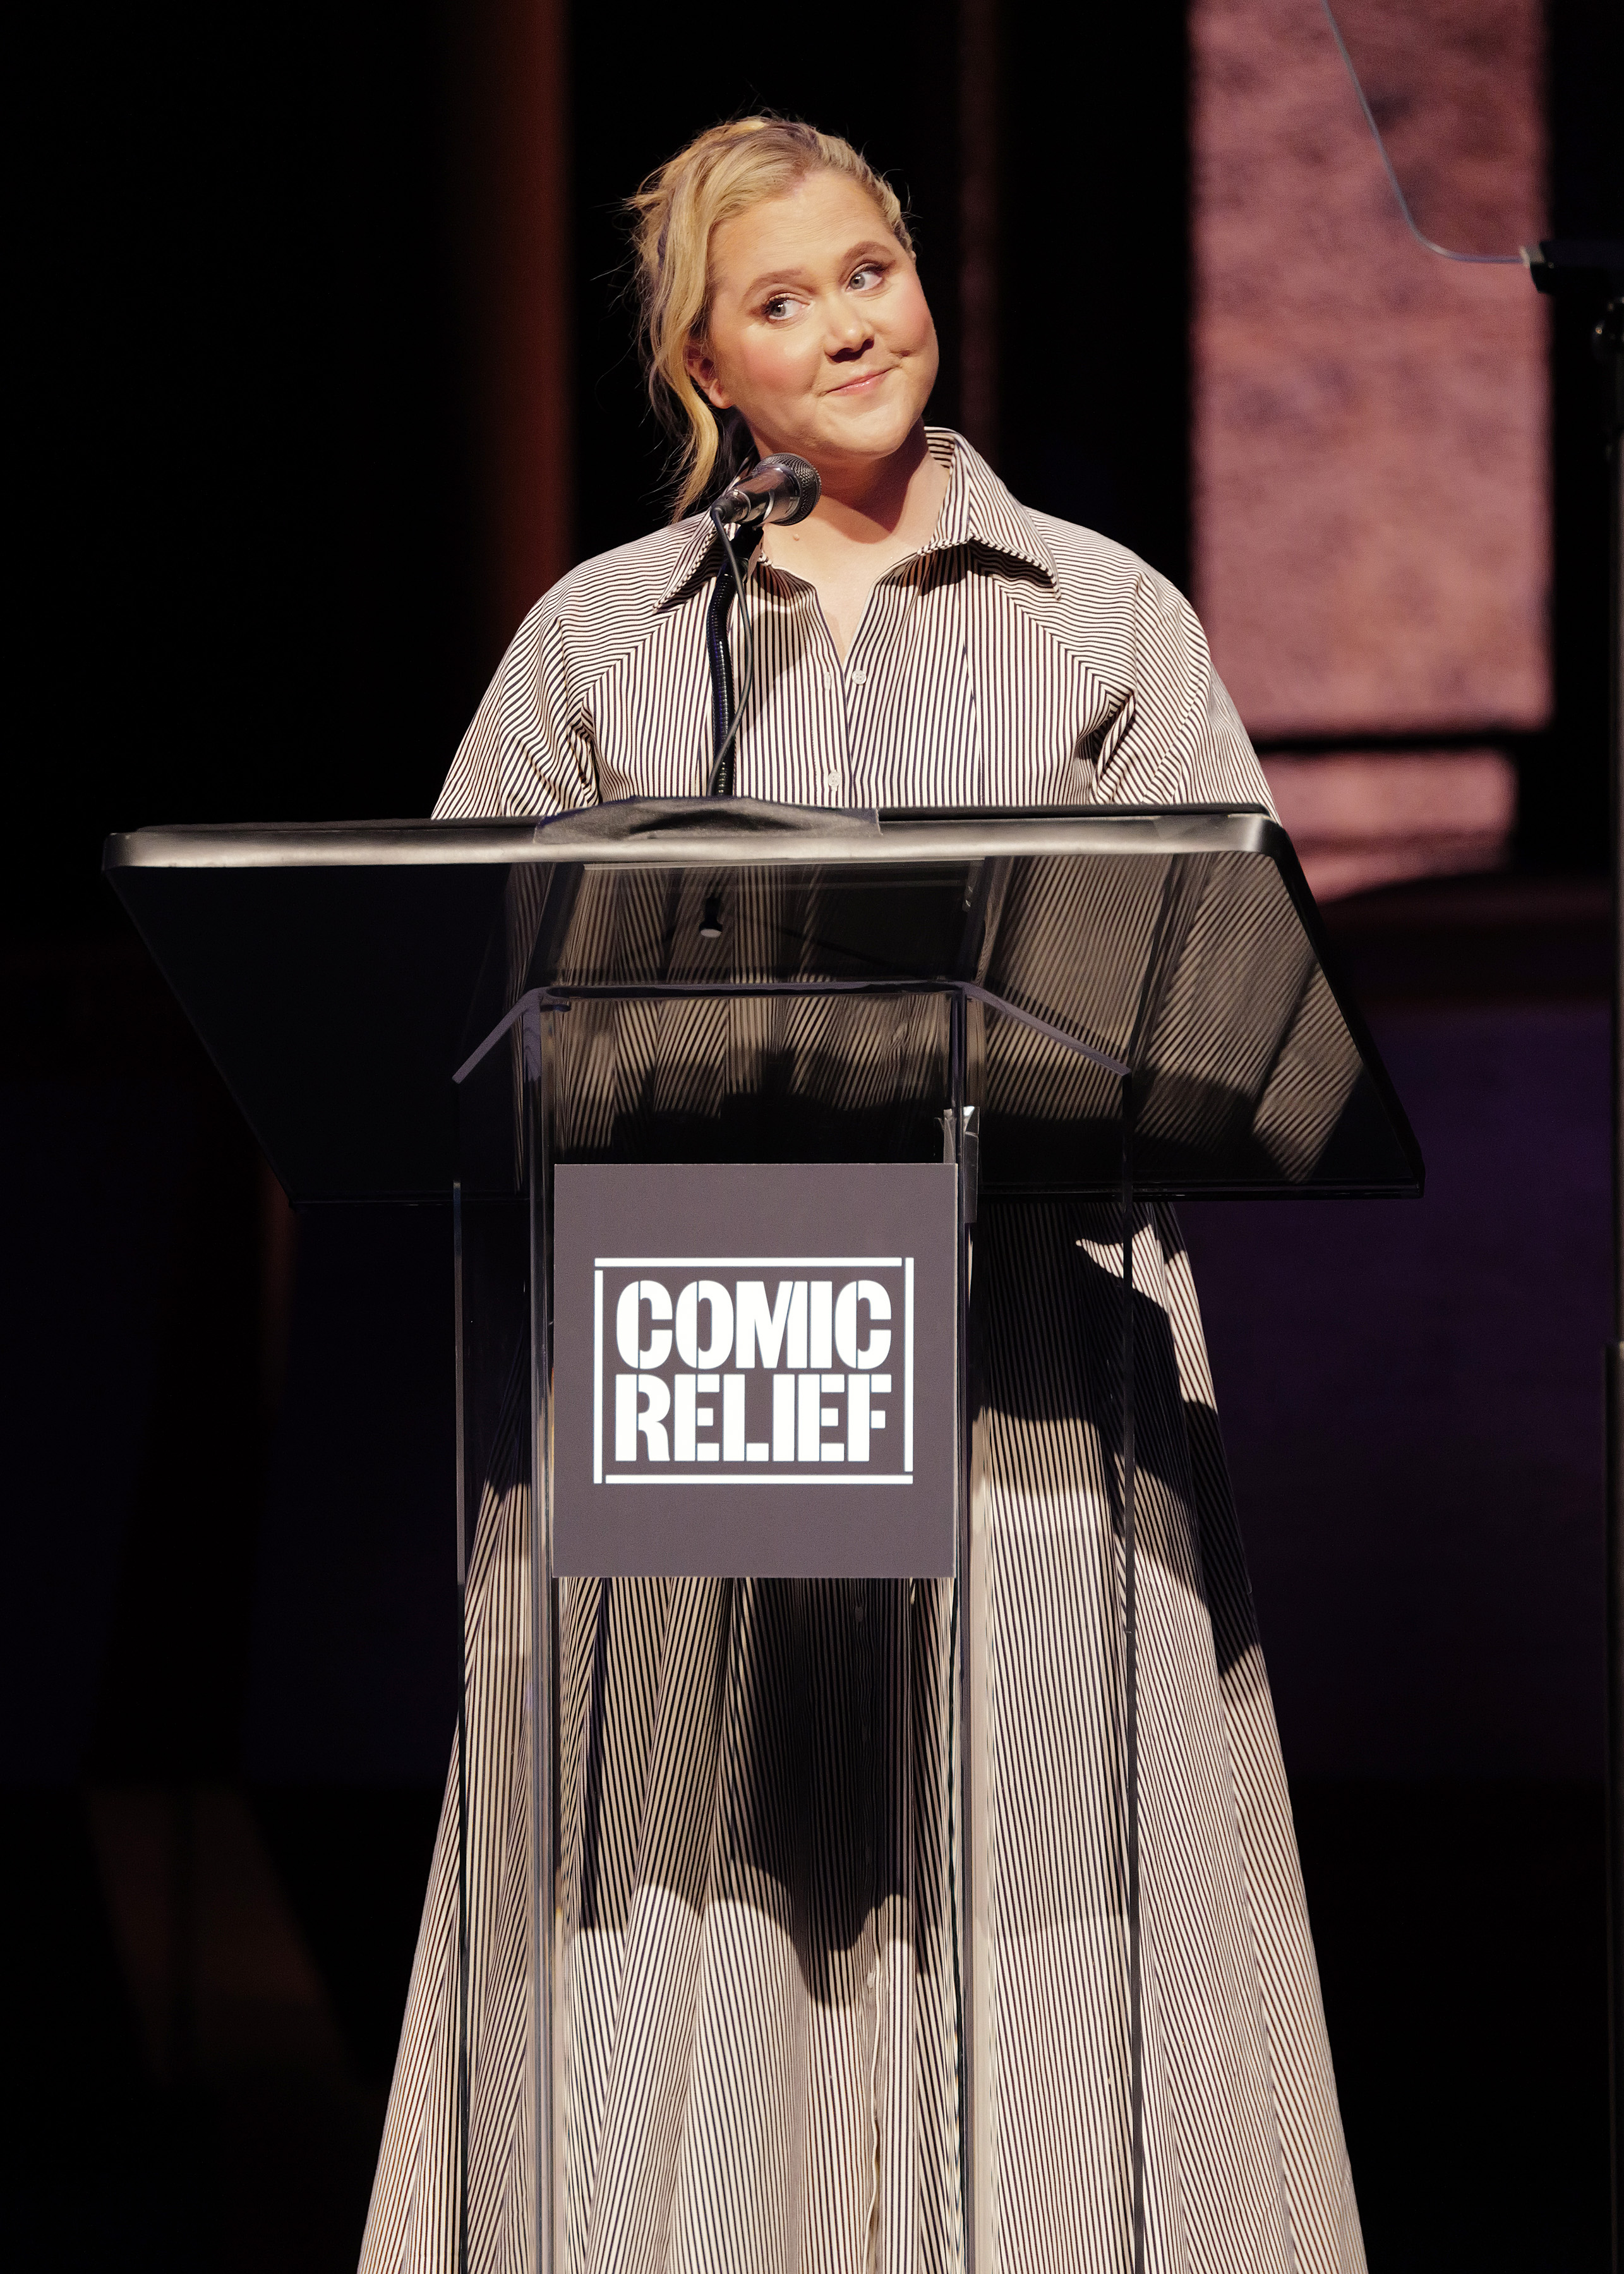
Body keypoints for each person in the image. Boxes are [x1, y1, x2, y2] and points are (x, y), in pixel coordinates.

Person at [361, 116, 1366, 2274]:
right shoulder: (600, 638)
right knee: (711, 1857)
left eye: (870, 269)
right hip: (710, 1329)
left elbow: (1228, 973)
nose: (847, 324)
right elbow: (444, 988)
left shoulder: (1101, 608)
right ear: (704, 364)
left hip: (1020, 1364)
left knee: (1022, 1846)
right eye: (781, 299)